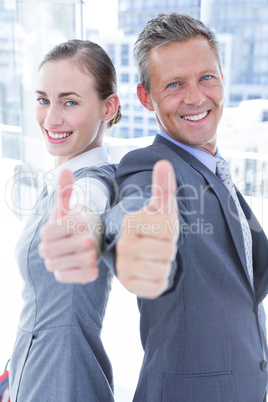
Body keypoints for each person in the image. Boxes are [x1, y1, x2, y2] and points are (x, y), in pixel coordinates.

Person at [101, 13, 268, 401]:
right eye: (174, 84)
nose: (195, 97)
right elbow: (134, 211)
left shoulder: (216, 169)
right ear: (146, 98)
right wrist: (136, 241)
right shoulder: (149, 166)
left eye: (206, 77)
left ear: (222, 77)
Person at [9, 39, 121, 401]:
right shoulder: (59, 179)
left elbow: (87, 212)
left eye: (69, 102)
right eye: (44, 100)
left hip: (65, 385)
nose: (51, 118)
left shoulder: (91, 184)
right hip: (35, 374)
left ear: (108, 107)